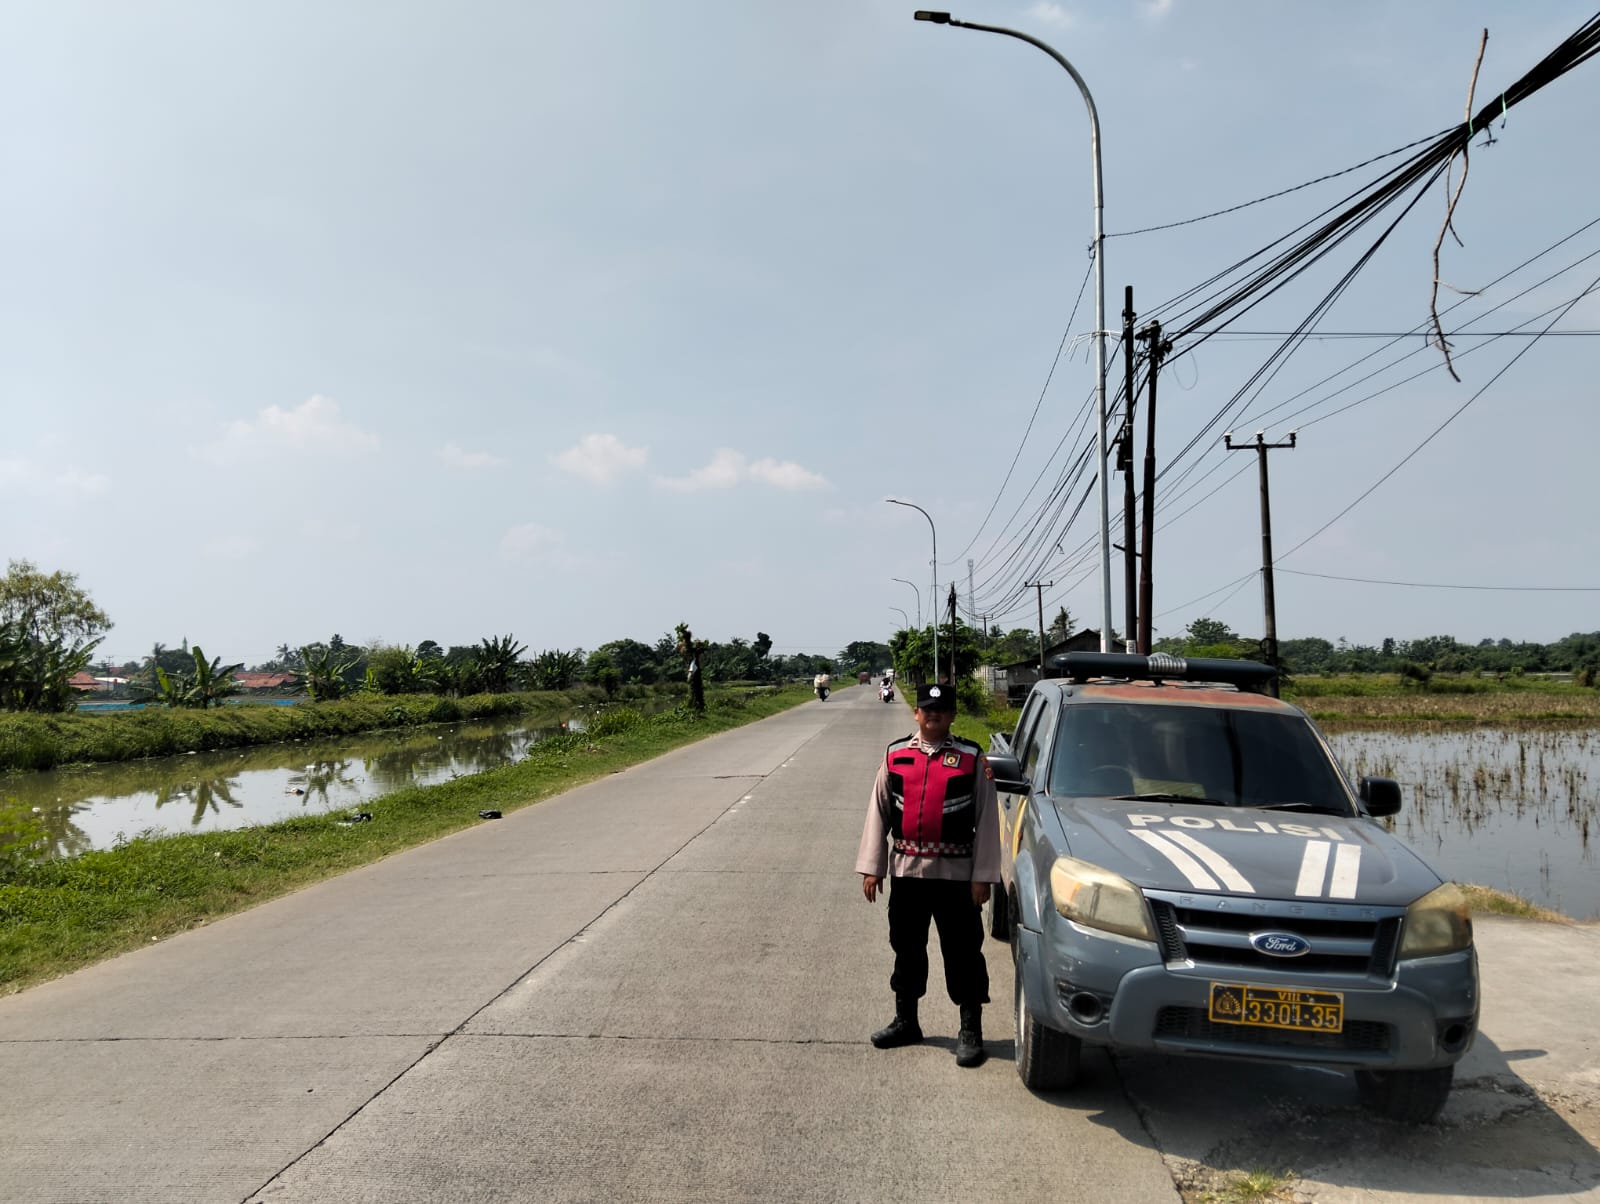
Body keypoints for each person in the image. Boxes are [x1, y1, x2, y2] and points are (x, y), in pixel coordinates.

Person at [855, 681, 1000, 1068]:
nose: (932, 714)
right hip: (907, 874)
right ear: (916, 713)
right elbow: (879, 811)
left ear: (951, 715)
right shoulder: (896, 755)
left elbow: (988, 821)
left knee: (964, 952)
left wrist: (983, 875)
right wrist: (873, 867)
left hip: (957, 878)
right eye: (926, 709)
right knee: (906, 947)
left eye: (941, 709)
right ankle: (907, 1021)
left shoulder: (972, 759)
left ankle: (970, 1029)